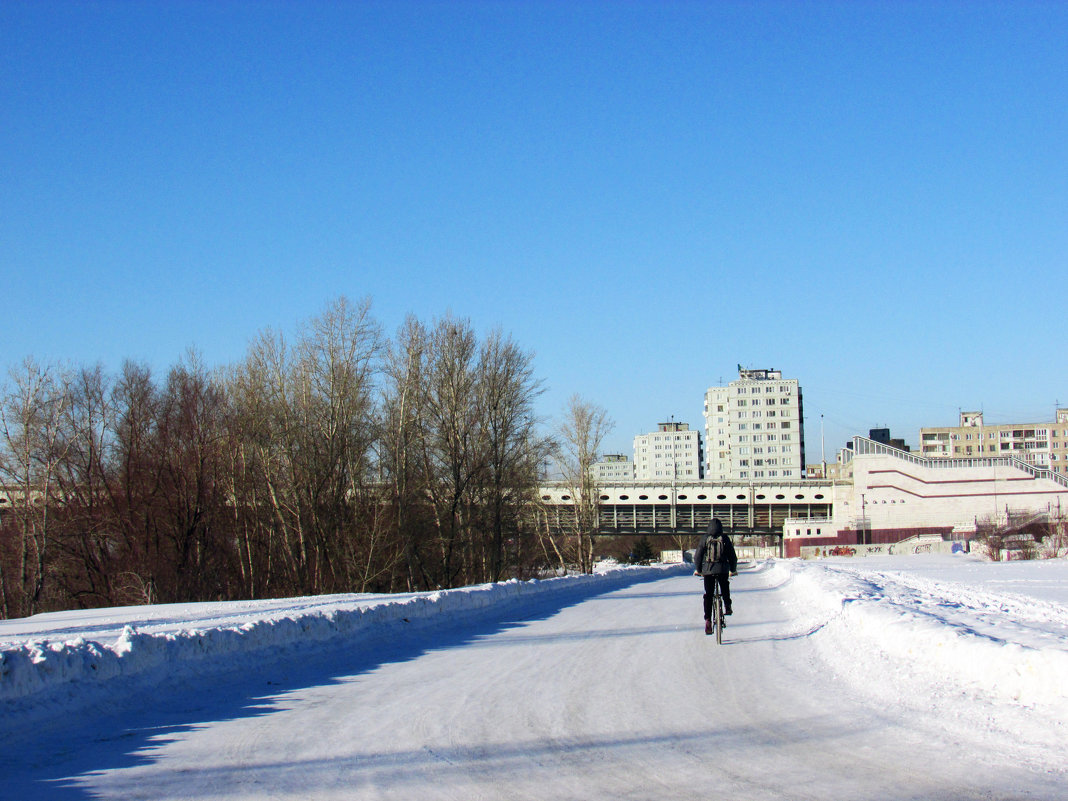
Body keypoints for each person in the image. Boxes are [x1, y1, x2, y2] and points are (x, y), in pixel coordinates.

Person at [693, 518, 738, 634]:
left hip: (708, 571)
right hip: (723, 570)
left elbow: (698, 556)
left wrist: (699, 570)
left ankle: (708, 619)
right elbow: (732, 556)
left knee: (709, 594)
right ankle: (727, 605)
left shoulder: (705, 539)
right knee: (725, 586)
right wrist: (732, 569)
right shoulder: (725, 539)